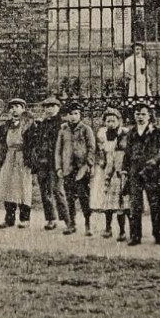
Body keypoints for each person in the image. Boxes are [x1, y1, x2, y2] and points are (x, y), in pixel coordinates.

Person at [123, 102, 160, 246]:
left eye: (143, 114)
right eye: (137, 114)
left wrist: (155, 161)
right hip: (135, 172)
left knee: (155, 203)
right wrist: (125, 169)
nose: (140, 117)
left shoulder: (156, 131)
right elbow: (127, 153)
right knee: (135, 204)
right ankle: (135, 236)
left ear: (149, 115)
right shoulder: (131, 132)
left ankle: (158, 234)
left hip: (151, 172)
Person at [23, 95, 68, 231]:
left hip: (56, 162)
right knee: (45, 192)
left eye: (52, 106)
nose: (49, 109)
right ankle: (50, 219)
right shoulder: (40, 124)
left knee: (57, 190)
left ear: (58, 108)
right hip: (42, 162)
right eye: (47, 106)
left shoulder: (63, 124)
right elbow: (27, 137)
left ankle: (67, 219)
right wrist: (33, 124)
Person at [56, 100, 96, 235]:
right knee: (69, 198)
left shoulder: (86, 129)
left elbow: (92, 149)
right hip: (68, 169)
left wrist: (88, 164)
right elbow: (58, 150)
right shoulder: (63, 130)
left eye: (76, 113)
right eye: (70, 114)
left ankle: (88, 225)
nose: (73, 116)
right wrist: (59, 168)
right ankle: (71, 224)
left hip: (81, 169)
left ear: (80, 115)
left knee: (84, 197)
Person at [0, 98, 34, 228]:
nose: (14, 110)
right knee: (8, 187)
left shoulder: (30, 124)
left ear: (23, 109)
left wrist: (31, 158)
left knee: (23, 188)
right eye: (11, 108)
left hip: (23, 158)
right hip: (9, 157)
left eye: (17, 106)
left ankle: (25, 219)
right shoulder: (7, 124)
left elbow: (34, 142)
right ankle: (9, 219)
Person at [91, 108, 126, 238]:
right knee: (108, 202)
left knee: (121, 203)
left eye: (113, 120)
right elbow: (101, 154)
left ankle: (122, 231)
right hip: (107, 170)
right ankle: (108, 228)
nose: (111, 123)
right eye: (108, 121)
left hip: (119, 170)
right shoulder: (103, 135)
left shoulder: (123, 134)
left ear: (119, 121)